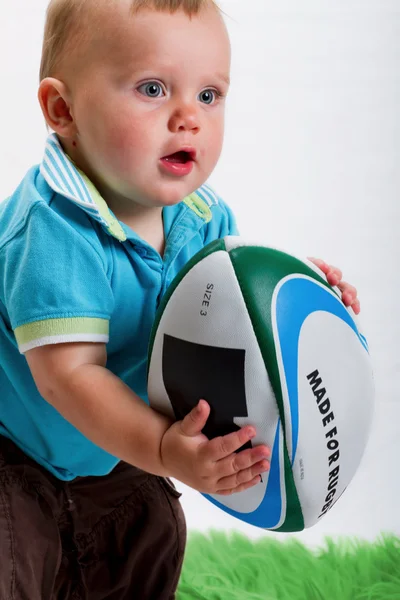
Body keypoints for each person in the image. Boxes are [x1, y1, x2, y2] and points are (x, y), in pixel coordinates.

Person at [0, 0, 360, 598]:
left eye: (209, 96)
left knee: (154, 535)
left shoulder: (200, 214)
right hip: (17, 451)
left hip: (117, 450)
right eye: (152, 88)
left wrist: (303, 294)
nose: (187, 117)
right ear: (63, 110)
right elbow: (69, 378)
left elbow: (231, 310)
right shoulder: (54, 229)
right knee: (13, 559)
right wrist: (163, 447)